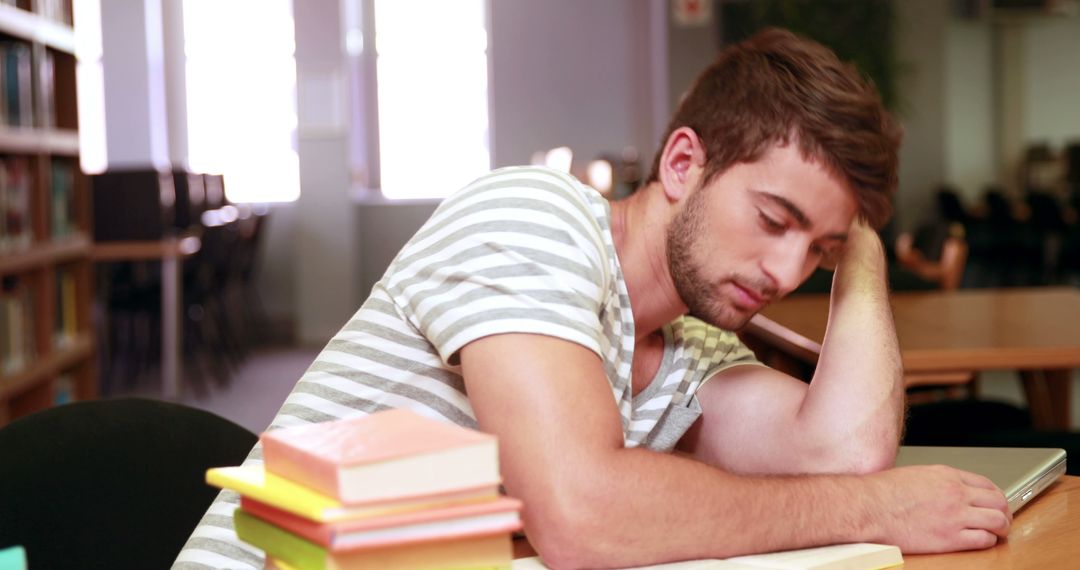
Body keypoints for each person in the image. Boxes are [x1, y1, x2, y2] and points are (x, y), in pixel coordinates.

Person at [174, 28, 1010, 569]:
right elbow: (579, 513)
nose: (788, 272)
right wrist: (876, 510)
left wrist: (856, 235)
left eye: (817, 251)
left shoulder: (692, 345)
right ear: (683, 164)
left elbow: (844, 450)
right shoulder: (534, 217)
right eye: (773, 218)